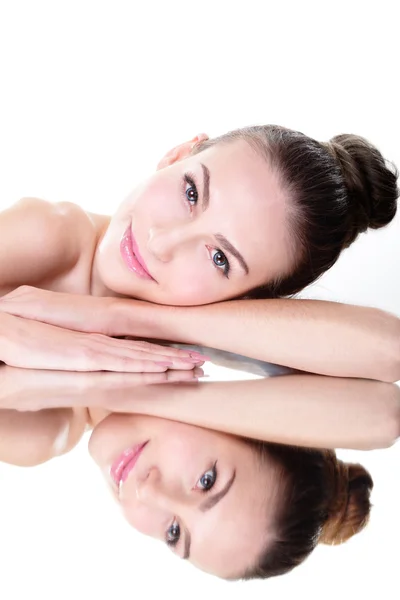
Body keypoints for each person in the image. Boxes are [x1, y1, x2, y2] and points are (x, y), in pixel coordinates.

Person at [0, 124, 399, 380]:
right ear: (177, 155)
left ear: (244, 301)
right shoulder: (50, 233)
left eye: (219, 258)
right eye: (191, 192)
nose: (161, 242)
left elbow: (388, 357)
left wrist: (124, 316)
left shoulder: (176, 333)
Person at [0, 367, 398, 580]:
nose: (148, 493)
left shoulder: (39, 430)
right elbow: (385, 406)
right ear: (234, 412)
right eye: (206, 481)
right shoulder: (133, 259)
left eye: (175, 534)